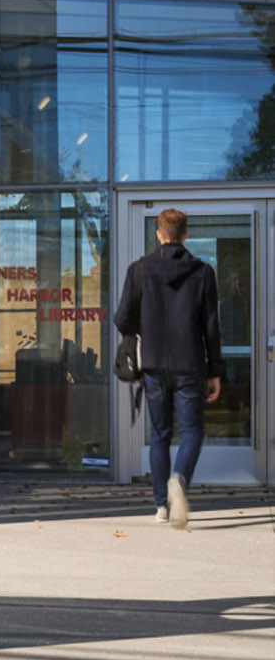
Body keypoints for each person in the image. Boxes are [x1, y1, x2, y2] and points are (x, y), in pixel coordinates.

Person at [114, 207, 222, 527]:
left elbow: (121, 319)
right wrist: (215, 371)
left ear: (159, 234)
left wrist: (142, 328)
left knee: (160, 434)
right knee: (192, 432)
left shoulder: (138, 270)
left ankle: (161, 506)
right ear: (185, 235)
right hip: (190, 365)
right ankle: (180, 481)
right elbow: (212, 327)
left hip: (153, 366)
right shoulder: (203, 272)